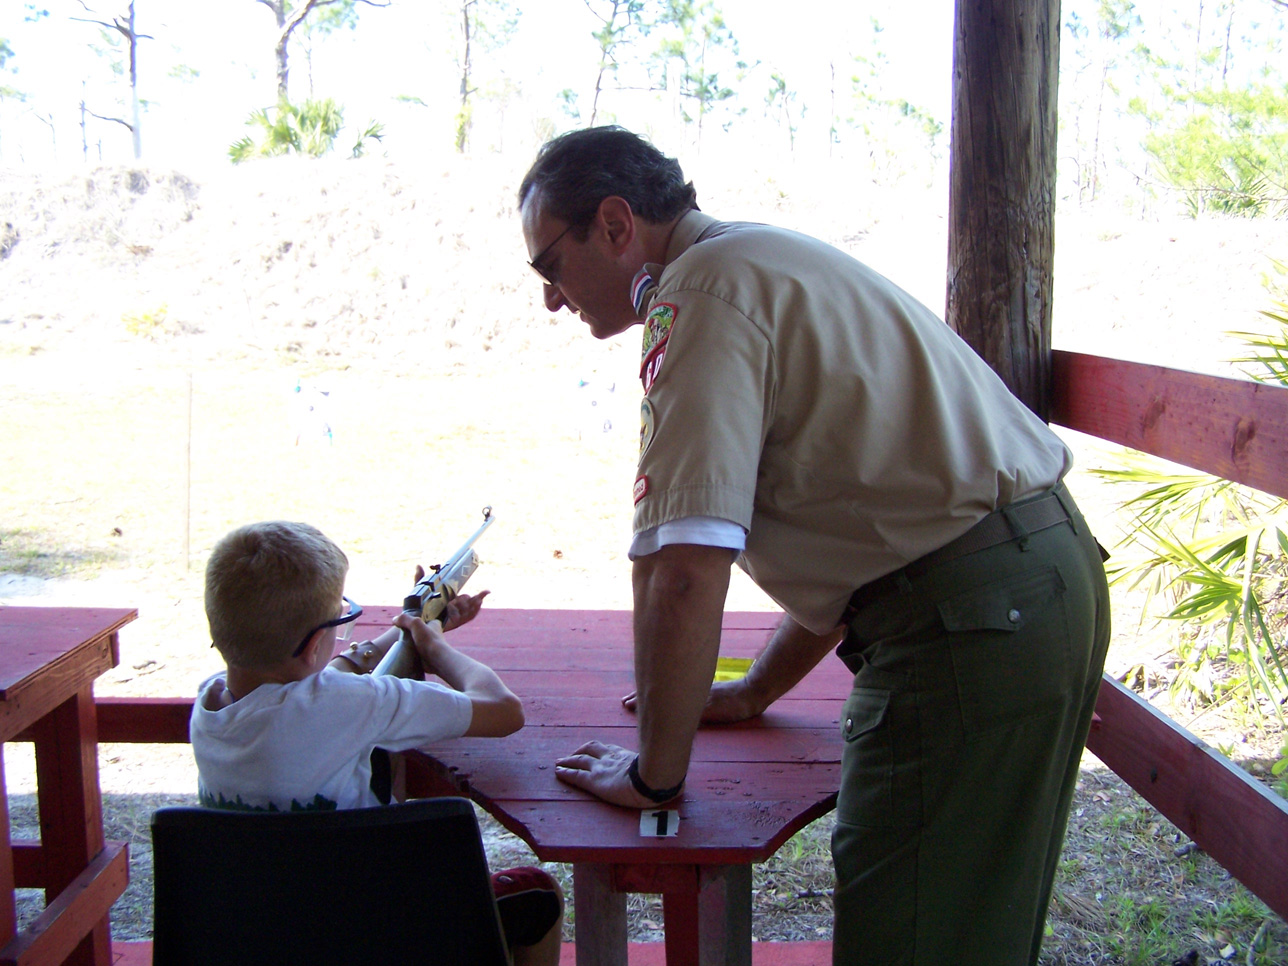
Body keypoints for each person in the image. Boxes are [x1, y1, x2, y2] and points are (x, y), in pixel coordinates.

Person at [518, 126, 1110, 966]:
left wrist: (653, 774)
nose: (549, 297)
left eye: (548, 264)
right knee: (972, 922)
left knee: (908, 937)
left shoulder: (702, 296)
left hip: (968, 622)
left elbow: (683, 569)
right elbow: (875, 538)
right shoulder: (764, 259)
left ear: (615, 225)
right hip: (1036, 580)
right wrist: (755, 690)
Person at [193, 520, 563, 966]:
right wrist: (435, 646)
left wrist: (409, 628)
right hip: (377, 933)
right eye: (340, 617)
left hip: (263, 937)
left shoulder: (209, 706)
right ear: (314, 646)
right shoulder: (352, 705)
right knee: (539, 895)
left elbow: (315, 689)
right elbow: (503, 709)